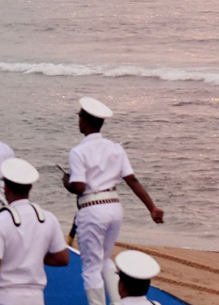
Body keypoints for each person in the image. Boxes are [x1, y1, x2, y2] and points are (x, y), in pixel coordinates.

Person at [63, 97, 164, 305]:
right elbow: (131, 180)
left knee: (91, 267)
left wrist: (67, 182)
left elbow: (79, 186)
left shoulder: (78, 151)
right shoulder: (116, 148)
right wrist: (151, 207)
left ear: (84, 121)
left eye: (80, 117)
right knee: (105, 260)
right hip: (114, 207)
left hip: (92, 208)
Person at [0, 158, 70, 305]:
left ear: (6, 188)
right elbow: (62, 258)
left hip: (5, 296)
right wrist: (33, 253)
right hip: (36, 297)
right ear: (31, 187)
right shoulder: (48, 218)